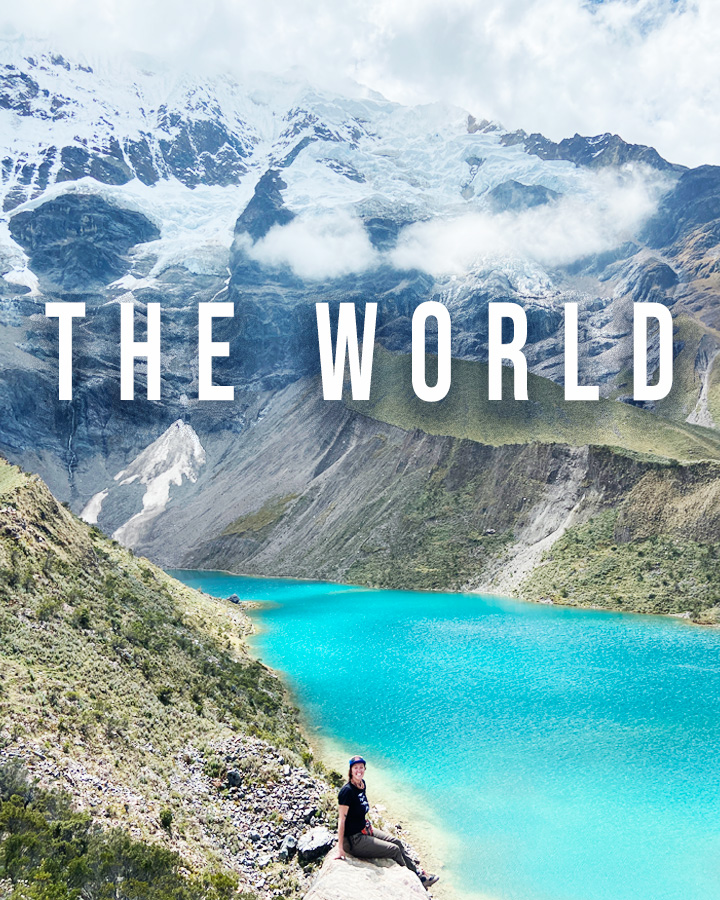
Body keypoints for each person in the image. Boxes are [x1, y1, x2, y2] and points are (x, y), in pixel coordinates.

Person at [334, 754, 440, 890]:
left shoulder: (362, 784)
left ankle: (417, 873)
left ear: (365, 769)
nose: (359, 771)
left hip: (364, 829)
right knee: (394, 850)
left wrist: (365, 824)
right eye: (355, 768)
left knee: (397, 842)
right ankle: (414, 880)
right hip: (353, 840)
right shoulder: (347, 791)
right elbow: (342, 819)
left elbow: (358, 811)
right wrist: (340, 848)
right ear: (350, 770)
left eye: (361, 767)